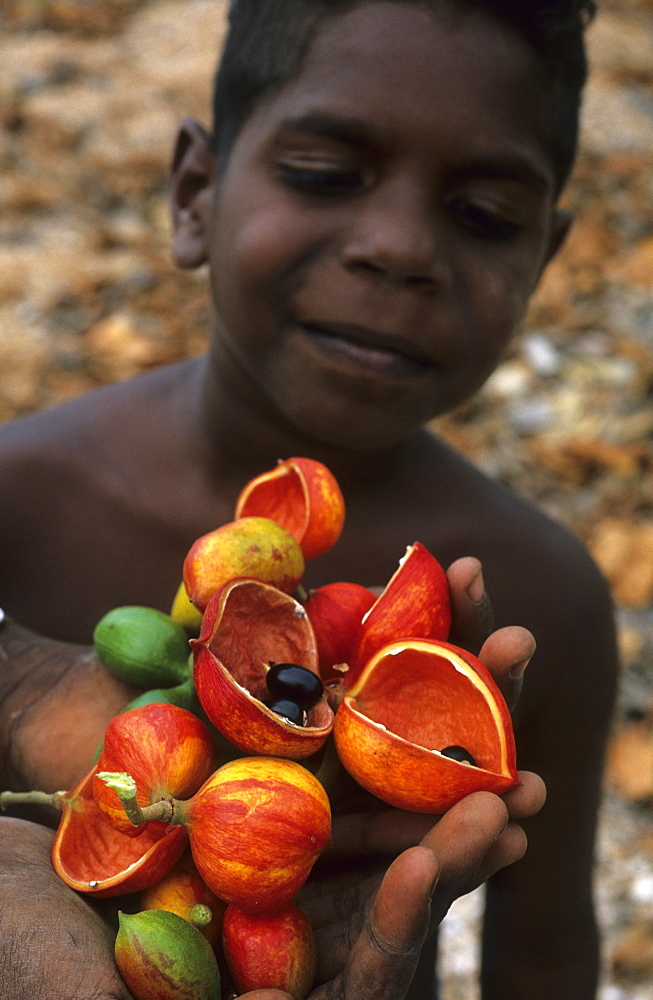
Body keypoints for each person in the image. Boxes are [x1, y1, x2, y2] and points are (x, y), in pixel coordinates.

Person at [0, 1, 617, 998]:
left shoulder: (549, 594)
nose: (397, 247)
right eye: (326, 175)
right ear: (194, 192)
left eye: (484, 217)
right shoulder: (18, 498)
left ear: (540, 261)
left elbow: (542, 958)